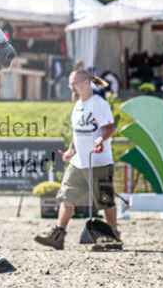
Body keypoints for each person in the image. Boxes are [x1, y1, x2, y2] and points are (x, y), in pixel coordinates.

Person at [35, 68, 122, 251]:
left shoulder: (98, 103)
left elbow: (109, 128)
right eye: (70, 84)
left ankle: (113, 235)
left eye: (74, 83)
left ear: (86, 83)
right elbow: (78, 133)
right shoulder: (78, 105)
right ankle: (58, 234)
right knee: (67, 195)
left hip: (98, 161)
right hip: (79, 161)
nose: (71, 87)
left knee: (105, 200)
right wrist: (70, 150)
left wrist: (100, 139)